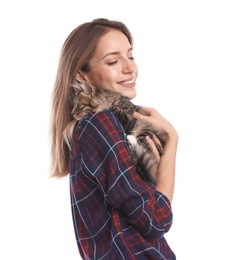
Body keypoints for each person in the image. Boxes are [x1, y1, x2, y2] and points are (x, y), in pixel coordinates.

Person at [49, 18, 178, 259]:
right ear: (82, 75)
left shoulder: (107, 128)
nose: (129, 68)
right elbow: (156, 220)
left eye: (131, 56)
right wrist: (172, 141)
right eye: (112, 61)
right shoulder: (100, 124)